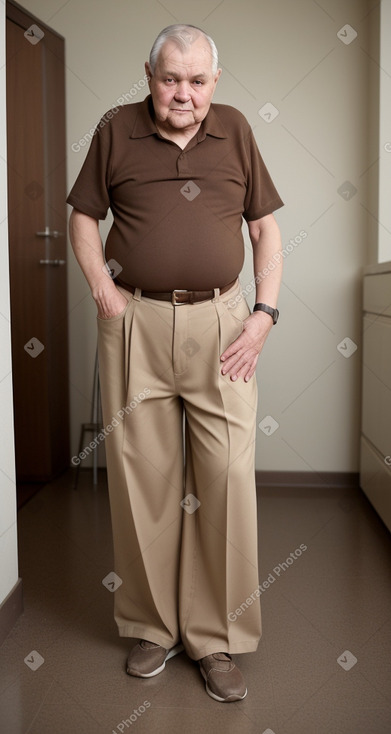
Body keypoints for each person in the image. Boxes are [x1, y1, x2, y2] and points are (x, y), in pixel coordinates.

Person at [67, 23, 283, 703]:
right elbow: (82, 216)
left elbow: (262, 227)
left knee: (225, 478)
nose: (182, 93)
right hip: (136, 321)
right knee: (143, 482)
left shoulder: (237, 130)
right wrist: (103, 290)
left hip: (224, 325)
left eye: (196, 80)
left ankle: (215, 638)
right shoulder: (115, 128)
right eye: (169, 78)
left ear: (213, 83)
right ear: (148, 75)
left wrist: (262, 314)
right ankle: (152, 627)